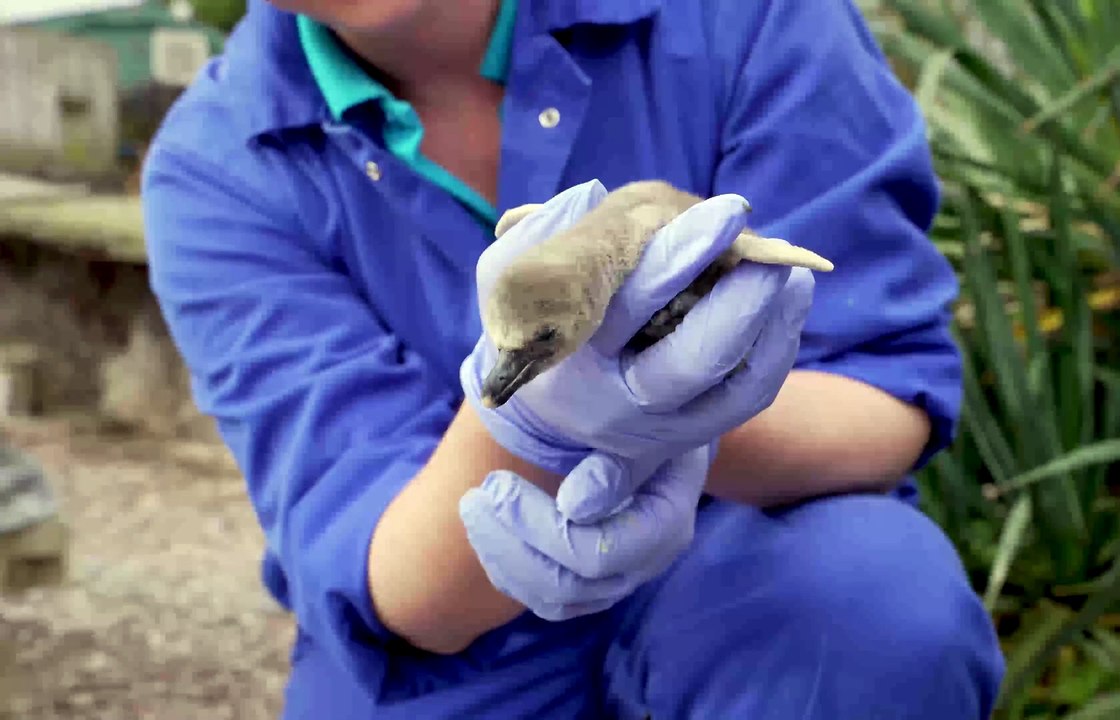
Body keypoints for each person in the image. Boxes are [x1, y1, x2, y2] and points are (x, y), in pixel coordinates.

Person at [139, 0, 1006, 717]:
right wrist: (543, 427)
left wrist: (670, 426)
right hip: (462, 641)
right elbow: (399, 583)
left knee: (872, 605)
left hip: (761, 567)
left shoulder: (748, 18)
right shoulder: (217, 165)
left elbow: (884, 396)